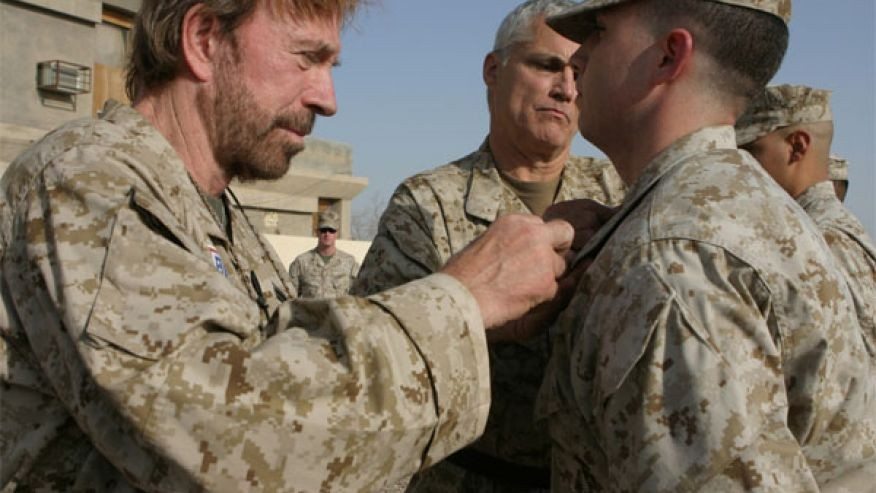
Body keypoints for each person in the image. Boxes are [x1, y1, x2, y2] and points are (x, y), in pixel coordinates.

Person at [0, 1, 579, 491]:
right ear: (203, 40)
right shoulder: (89, 182)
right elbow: (237, 441)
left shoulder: (212, 208)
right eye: (307, 59)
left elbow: (285, 357)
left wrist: (482, 324)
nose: (327, 99)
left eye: (331, 66)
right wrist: (462, 301)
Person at [538, 0, 876, 491]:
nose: (577, 57)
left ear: (668, 56)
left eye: (600, 31)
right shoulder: (737, 204)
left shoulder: (671, 260)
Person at [352, 0, 625, 491]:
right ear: (493, 71)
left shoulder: (617, 192)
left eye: (578, 72)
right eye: (547, 65)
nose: (566, 89)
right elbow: (382, 355)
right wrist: (484, 320)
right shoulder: (428, 203)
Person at [736, 84, 876, 358]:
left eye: (751, 152)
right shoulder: (817, 229)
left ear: (797, 146)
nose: (739, 166)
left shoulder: (820, 240)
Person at [288, 209, 360, 298]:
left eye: (331, 230)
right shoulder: (301, 262)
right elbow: (290, 298)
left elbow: (358, 297)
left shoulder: (350, 263)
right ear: (317, 232)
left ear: (337, 233)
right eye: (323, 230)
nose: (327, 234)